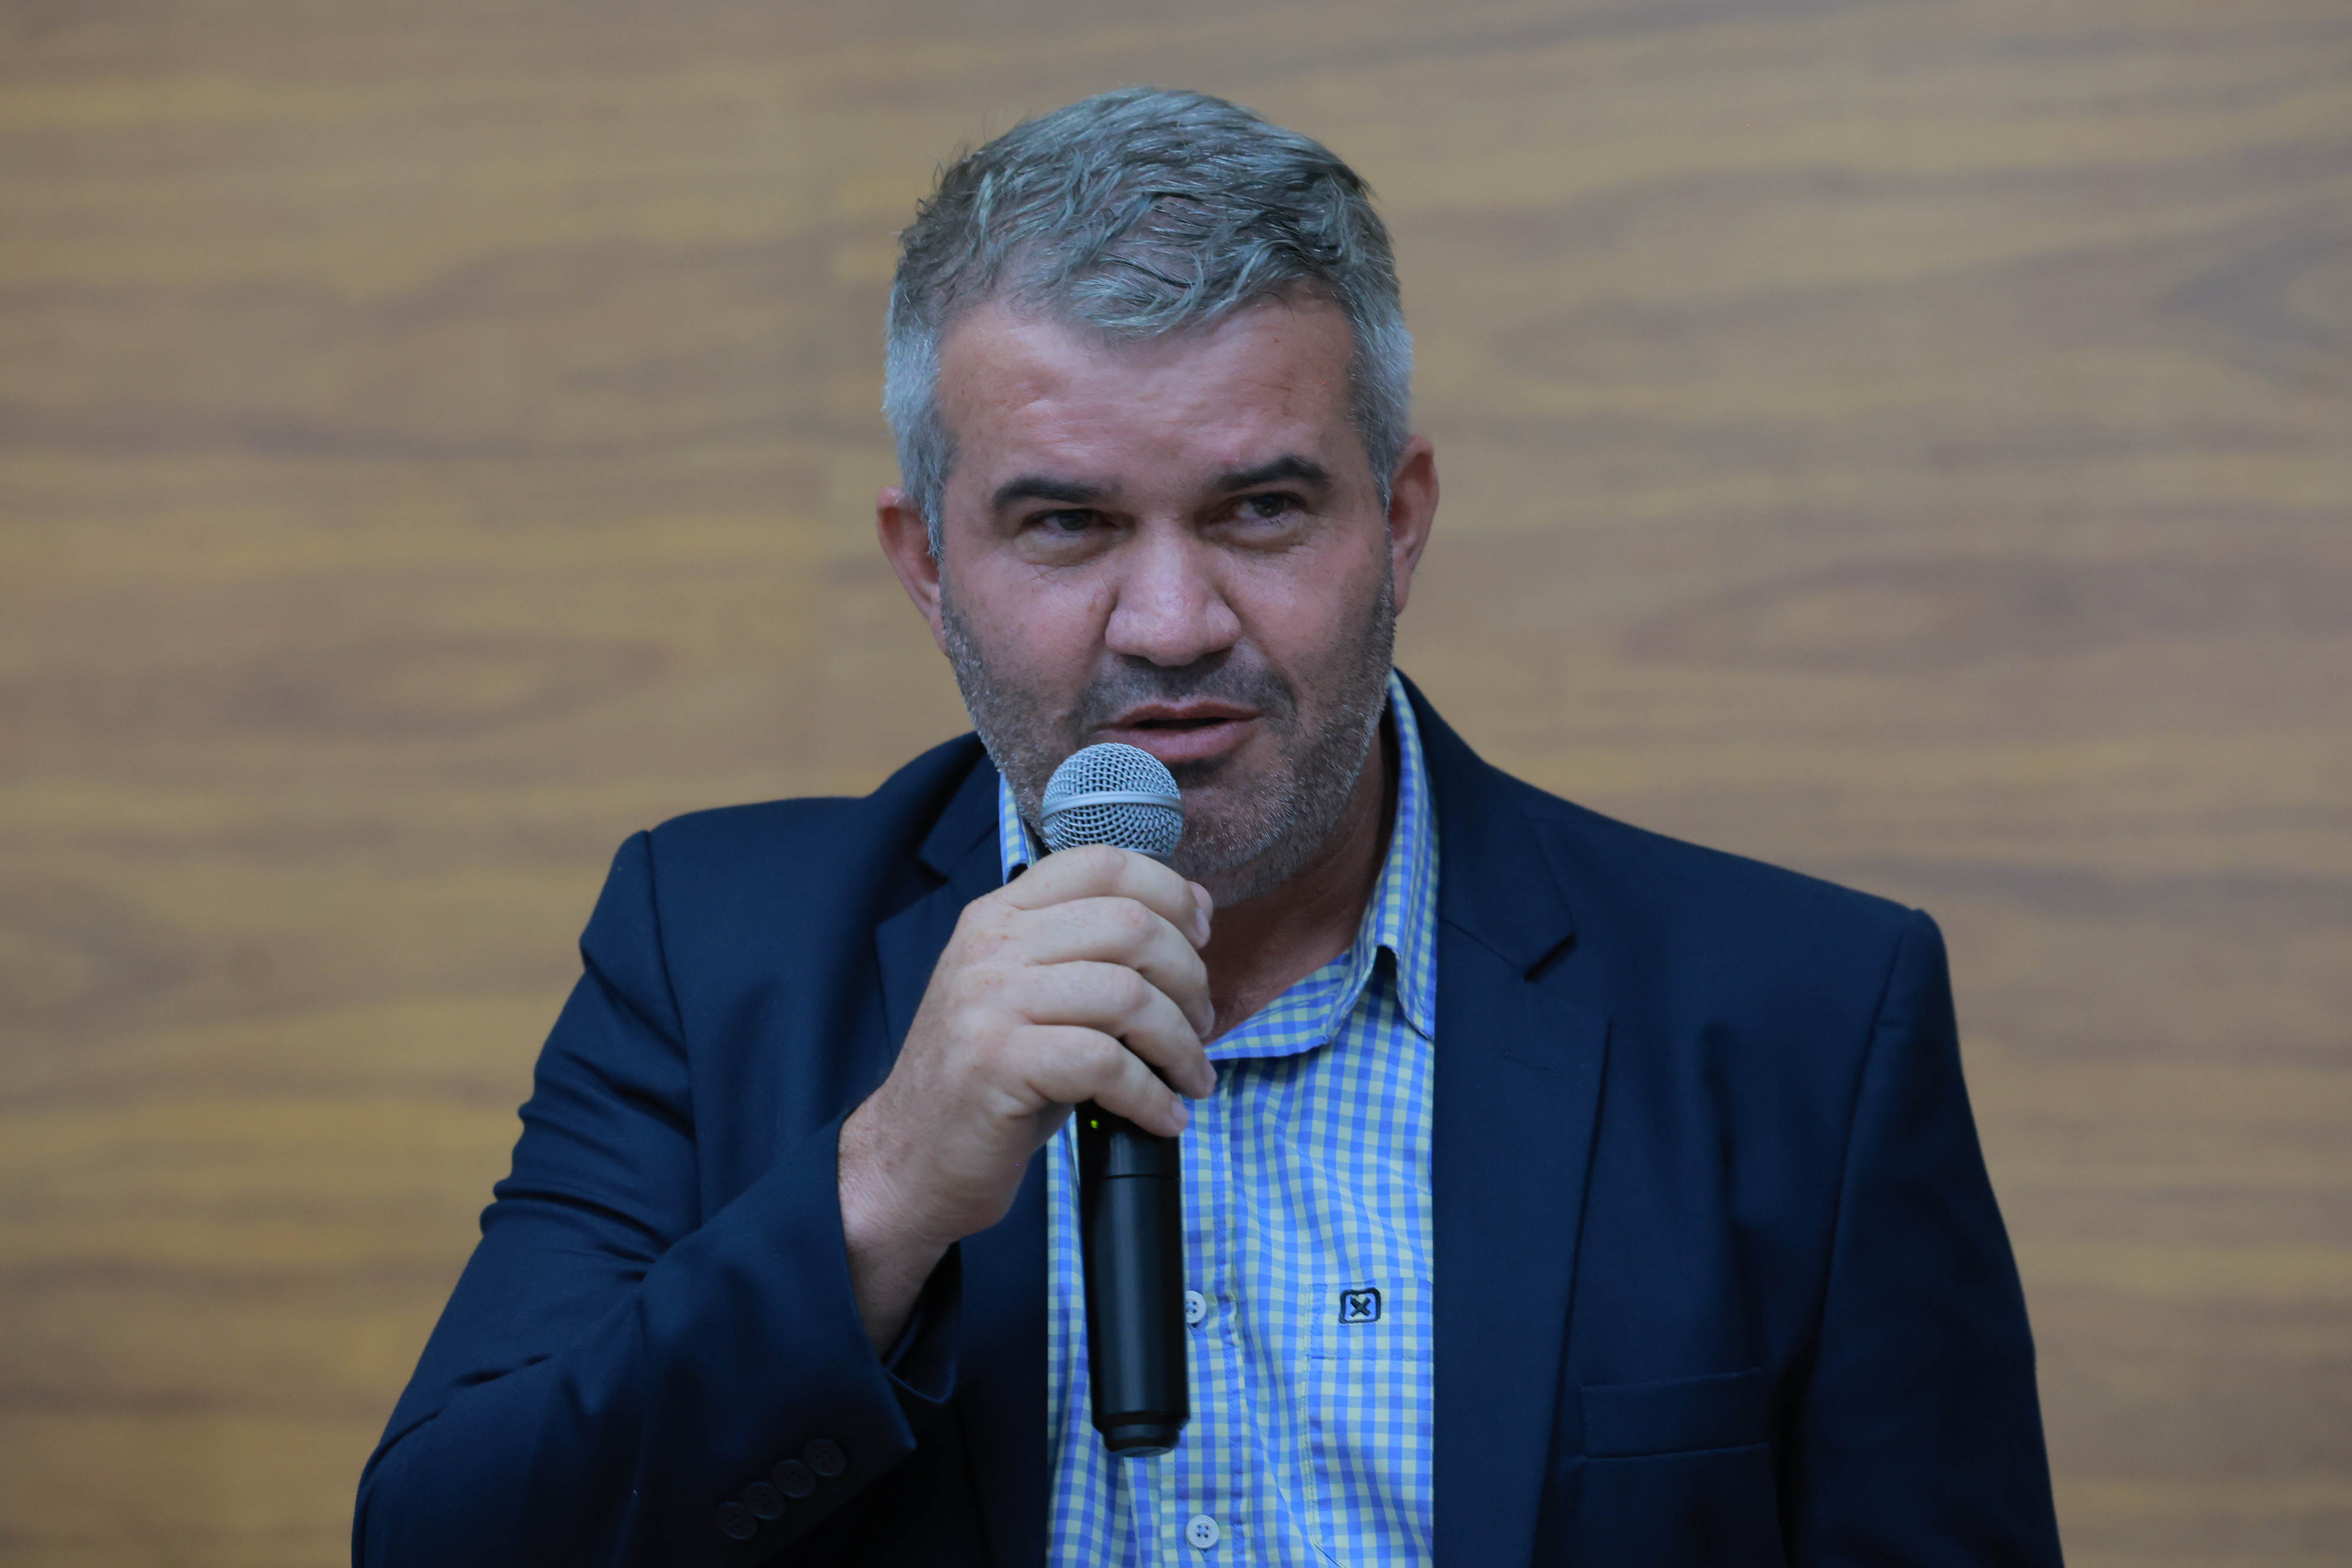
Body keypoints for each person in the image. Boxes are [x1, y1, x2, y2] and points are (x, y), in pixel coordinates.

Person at [355, 88, 2063, 1567]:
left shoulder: (1805, 1016)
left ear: (1400, 521)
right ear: (926, 566)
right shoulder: (708, 951)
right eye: (1067, 524)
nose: (1171, 625)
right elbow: (446, 1539)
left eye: (1260, 509)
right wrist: (881, 1191)